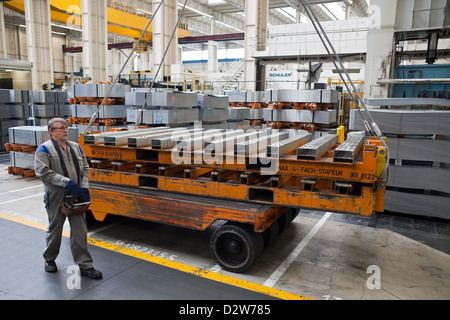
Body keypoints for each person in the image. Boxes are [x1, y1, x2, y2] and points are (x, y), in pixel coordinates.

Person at [34, 118, 102, 279]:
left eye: (66, 128)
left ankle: (85, 265)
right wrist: (67, 182)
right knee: (55, 228)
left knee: (80, 230)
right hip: (56, 195)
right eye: (61, 128)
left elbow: (85, 168)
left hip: (76, 194)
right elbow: (43, 173)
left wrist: (83, 187)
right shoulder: (44, 150)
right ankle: (49, 259)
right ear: (51, 131)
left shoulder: (76, 147)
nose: (65, 130)